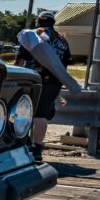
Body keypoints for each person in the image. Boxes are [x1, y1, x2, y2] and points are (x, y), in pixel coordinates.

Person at [15, 10, 72, 161]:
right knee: (42, 116)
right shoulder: (62, 40)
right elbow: (63, 66)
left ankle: (25, 146)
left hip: (32, 79)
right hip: (54, 82)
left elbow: (20, 60)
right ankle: (37, 148)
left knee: (25, 113)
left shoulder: (33, 35)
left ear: (38, 21)